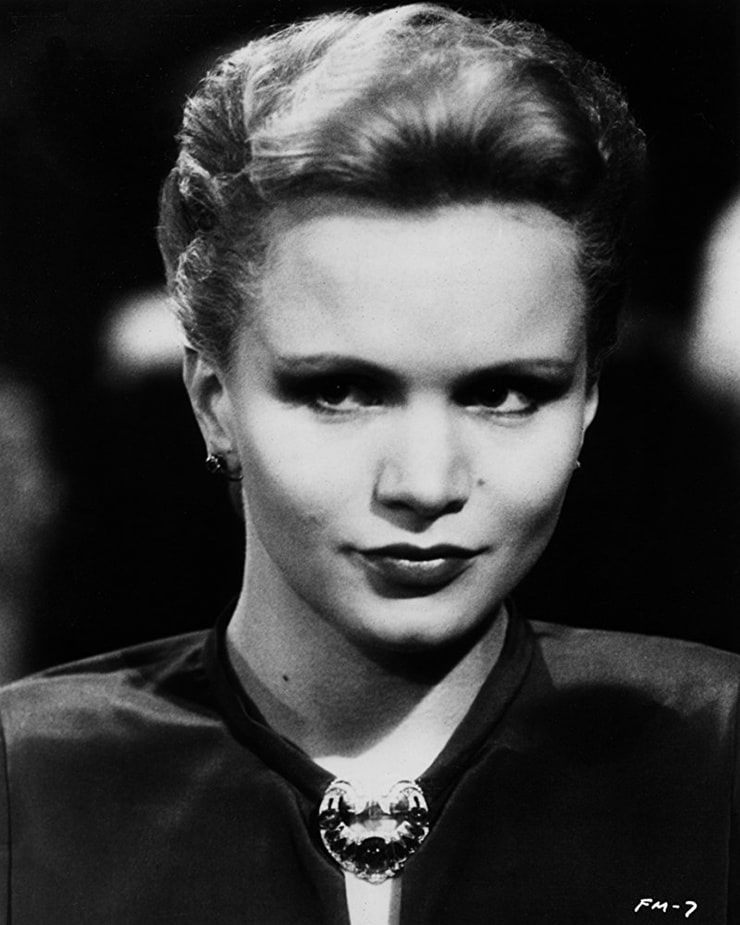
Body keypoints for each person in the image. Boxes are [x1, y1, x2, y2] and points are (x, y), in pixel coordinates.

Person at [0, 5, 737, 923]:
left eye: (507, 393)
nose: (426, 484)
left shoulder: (714, 751)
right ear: (213, 400)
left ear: (587, 401)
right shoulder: (29, 784)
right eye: (341, 391)